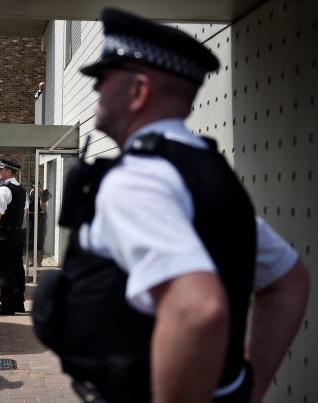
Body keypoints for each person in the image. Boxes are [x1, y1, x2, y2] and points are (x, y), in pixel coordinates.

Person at [50, 8, 309, 403]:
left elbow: (198, 309)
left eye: (105, 77)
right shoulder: (208, 174)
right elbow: (288, 279)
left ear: (138, 91)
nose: (96, 88)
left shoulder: (137, 179)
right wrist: (248, 388)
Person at [0, 158, 28, 315]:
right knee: (18, 270)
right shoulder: (22, 190)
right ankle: (18, 303)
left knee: (5, 271)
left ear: (8, 172)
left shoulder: (4, 190)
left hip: (5, 236)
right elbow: (23, 213)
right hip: (17, 233)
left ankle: (7, 306)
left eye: (0, 170)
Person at [28, 182, 48, 267]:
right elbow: (26, 206)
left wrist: (41, 197)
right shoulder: (29, 194)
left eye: (38, 187)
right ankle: (31, 260)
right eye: (34, 187)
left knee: (40, 239)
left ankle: (39, 261)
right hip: (31, 217)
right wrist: (30, 196)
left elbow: (43, 207)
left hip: (41, 217)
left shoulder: (45, 193)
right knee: (30, 239)